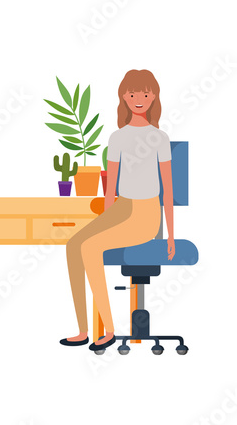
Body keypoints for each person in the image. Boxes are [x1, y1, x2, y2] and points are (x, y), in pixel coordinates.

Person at [61, 69, 175, 351]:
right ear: (124, 96)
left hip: (146, 212)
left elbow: (168, 190)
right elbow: (110, 186)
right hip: (122, 206)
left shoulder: (159, 138)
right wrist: (105, 218)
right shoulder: (117, 137)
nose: (139, 99)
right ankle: (83, 330)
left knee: (91, 248)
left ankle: (109, 329)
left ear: (154, 98)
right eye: (133, 93)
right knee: (74, 244)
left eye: (146, 94)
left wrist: (170, 235)